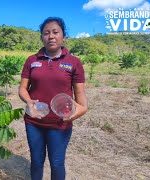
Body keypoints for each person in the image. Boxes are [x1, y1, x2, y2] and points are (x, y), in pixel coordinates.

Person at [18, 17, 88, 180]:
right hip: (34, 121)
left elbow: (80, 94)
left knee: (57, 163)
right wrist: (29, 102)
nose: (51, 36)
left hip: (59, 123)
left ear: (63, 36)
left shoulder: (73, 62)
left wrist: (82, 109)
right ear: (42, 37)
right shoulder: (32, 60)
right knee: (36, 161)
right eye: (46, 33)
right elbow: (22, 88)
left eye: (55, 32)